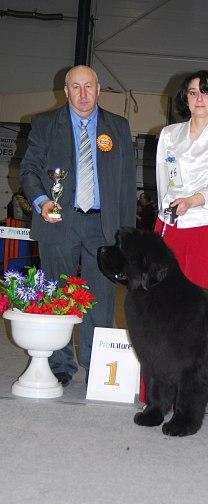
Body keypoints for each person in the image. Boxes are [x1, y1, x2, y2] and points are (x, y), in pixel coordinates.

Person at [20, 65, 137, 386]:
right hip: (59, 222)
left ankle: (97, 365)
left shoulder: (119, 126)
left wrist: (127, 236)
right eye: (75, 87)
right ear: (66, 91)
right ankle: (59, 365)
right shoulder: (45, 124)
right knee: (58, 295)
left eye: (88, 86)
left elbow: (128, 185)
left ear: (99, 89)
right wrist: (42, 200)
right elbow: (28, 170)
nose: (83, 94)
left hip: (104, 226)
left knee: (100, 299)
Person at [155, 70, 208, 289]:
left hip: (206, 224)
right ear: (185, 98)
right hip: (169, 223)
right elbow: (163, 181)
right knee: (161, 295)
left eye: (206, 92)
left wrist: (191, 201)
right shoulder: (168, 134)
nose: (199, 99)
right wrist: (166, 214)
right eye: (193, 93)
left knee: (202, 301)